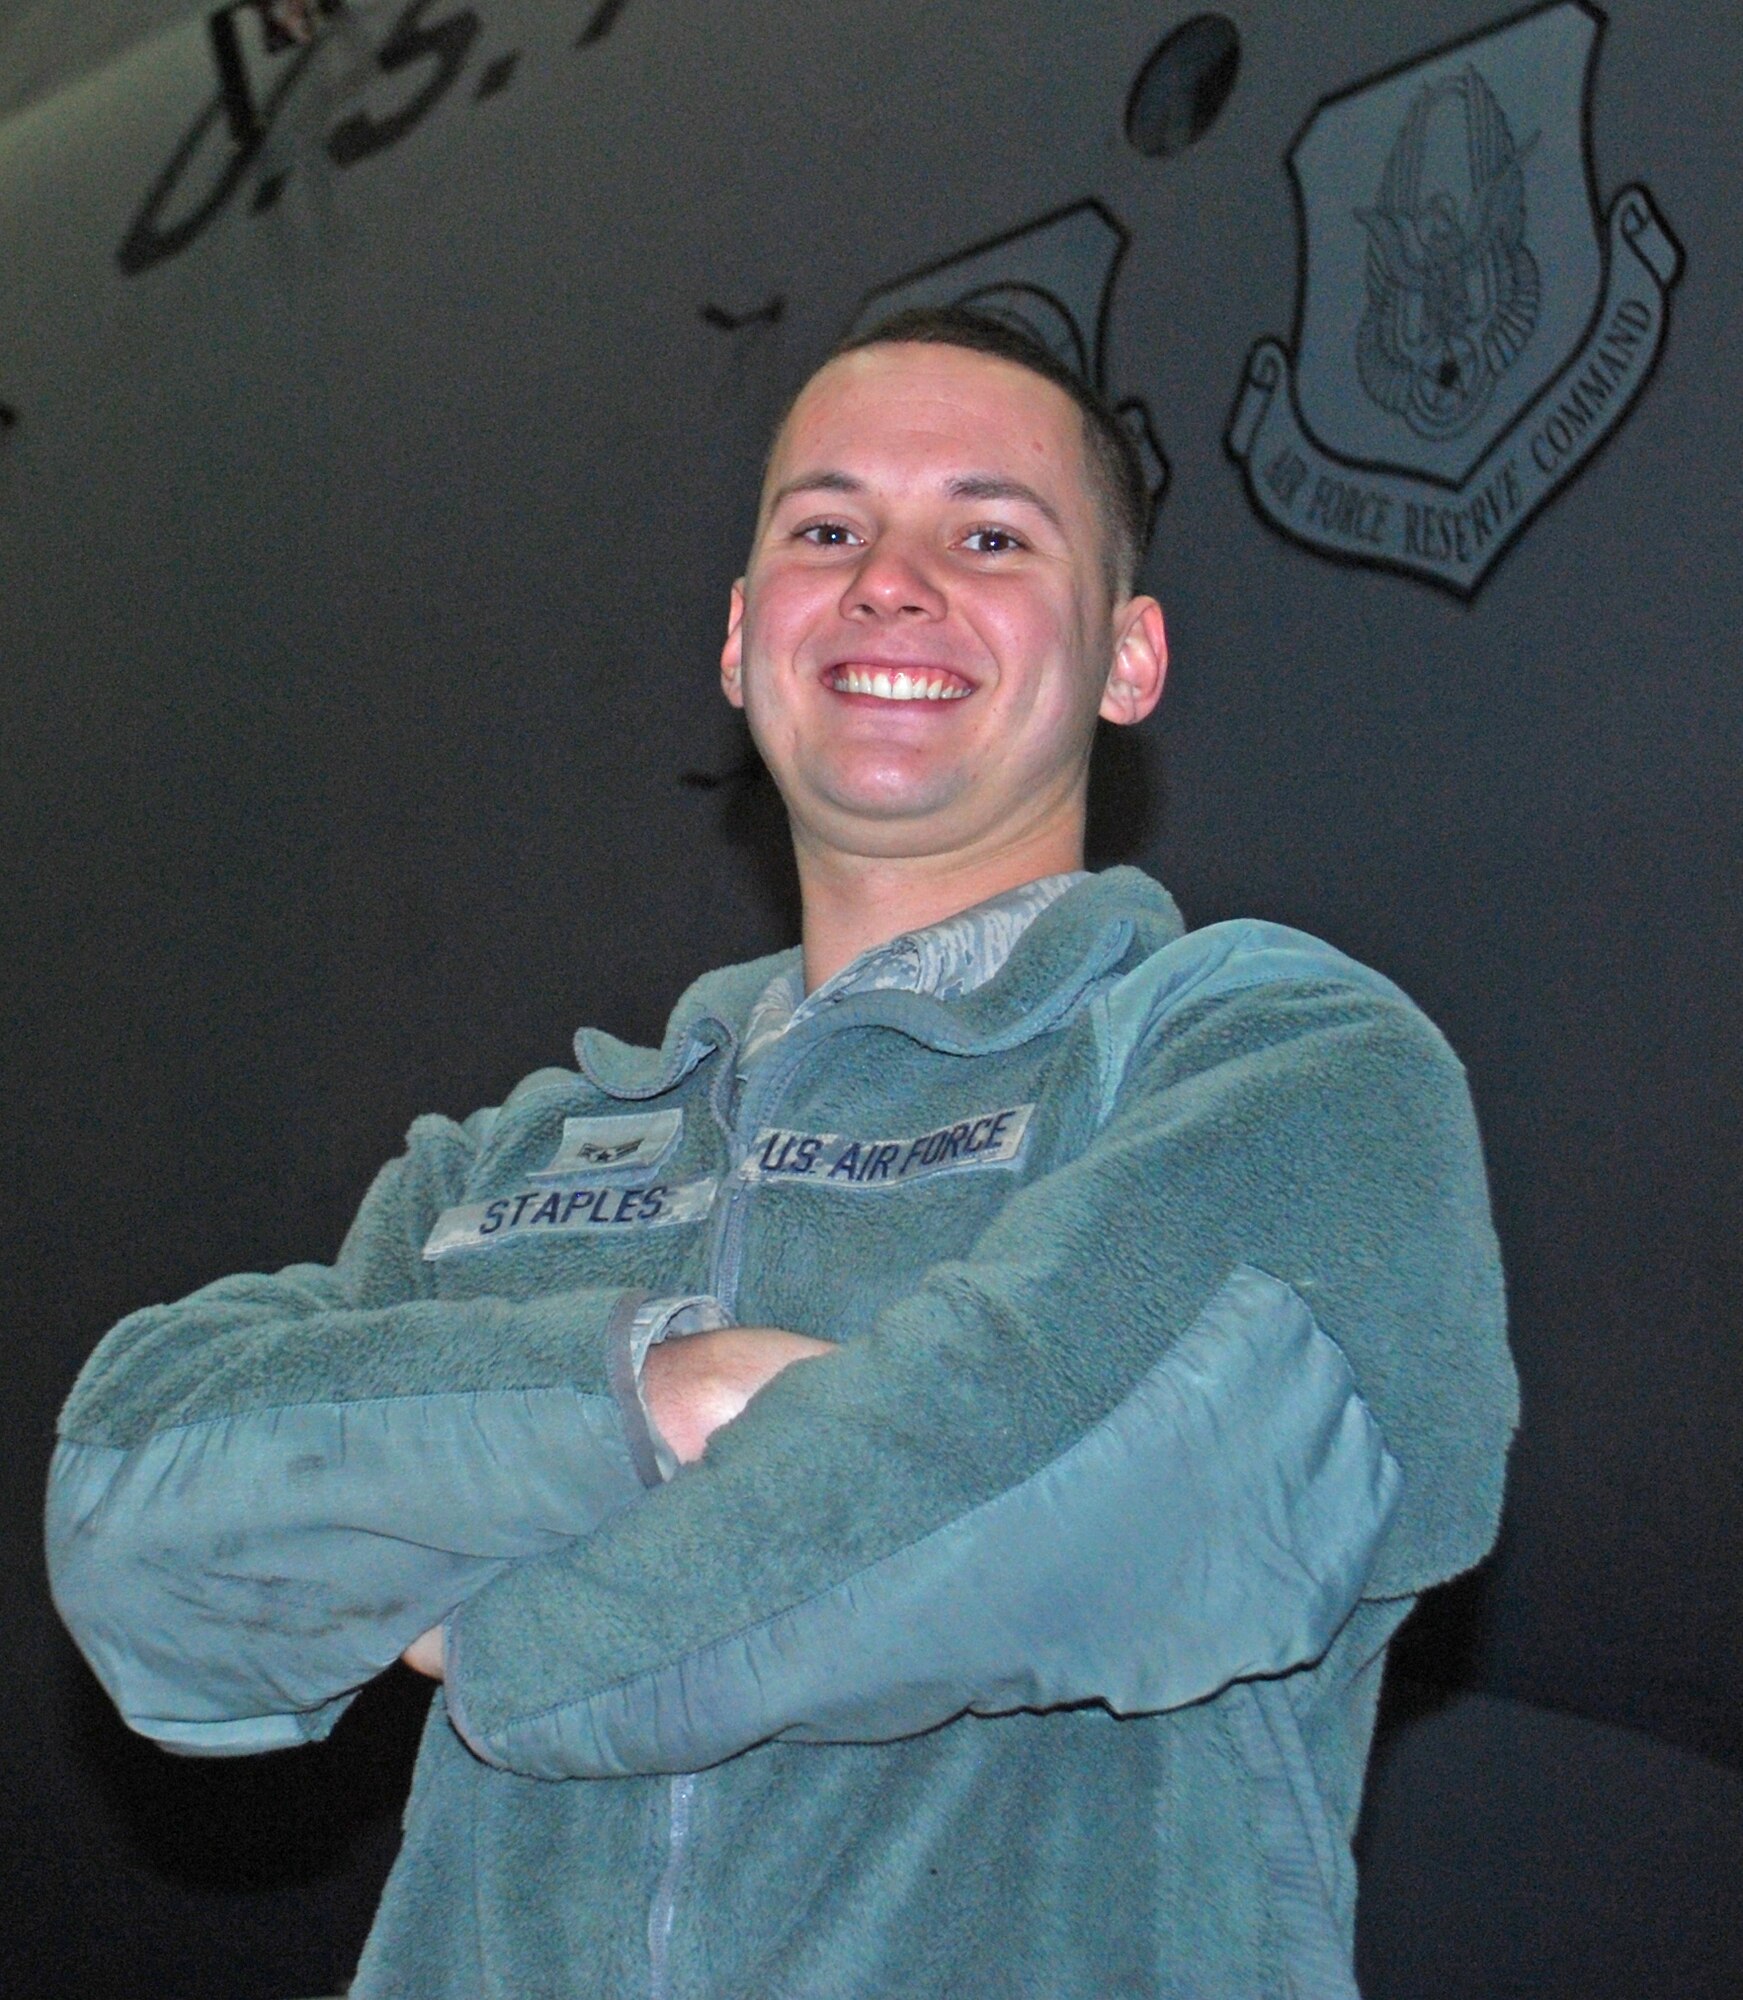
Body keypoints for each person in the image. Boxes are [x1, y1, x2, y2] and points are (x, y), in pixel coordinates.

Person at [48, 308, 1517, 1999]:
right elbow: (133, 1514)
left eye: (990, 537)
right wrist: (651, 1390)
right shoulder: (514, 1165)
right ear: (745, 642)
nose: (891, 582)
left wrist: (479, 1620)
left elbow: (1053, 1481)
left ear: (1129, 658)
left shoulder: (1276, 1057)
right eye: (827, 531)